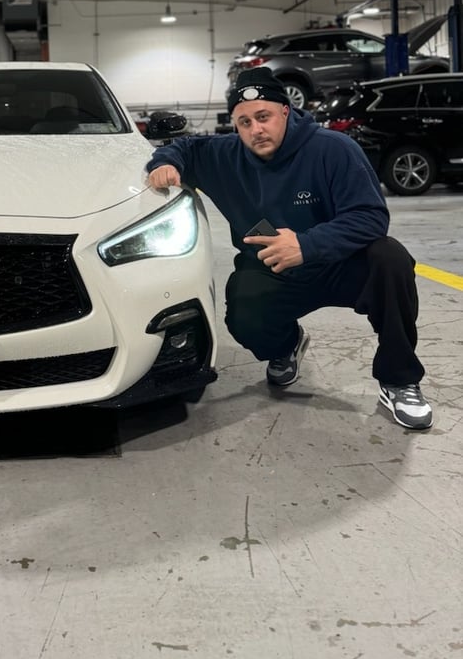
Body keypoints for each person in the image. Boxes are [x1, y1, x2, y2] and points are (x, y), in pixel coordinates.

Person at [145, 66, 432, 430]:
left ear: (285, 111)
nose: (255, 129)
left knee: (390, 259)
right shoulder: (225, 155)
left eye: (263, 116)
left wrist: (307, 244)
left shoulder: (333, 149)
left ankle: (399, 379)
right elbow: (184, 148)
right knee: (243, 311)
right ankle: (286, 345)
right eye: (244, 122)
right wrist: (165, 163)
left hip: (341, 263)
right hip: (274, 268)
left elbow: (371, 216)